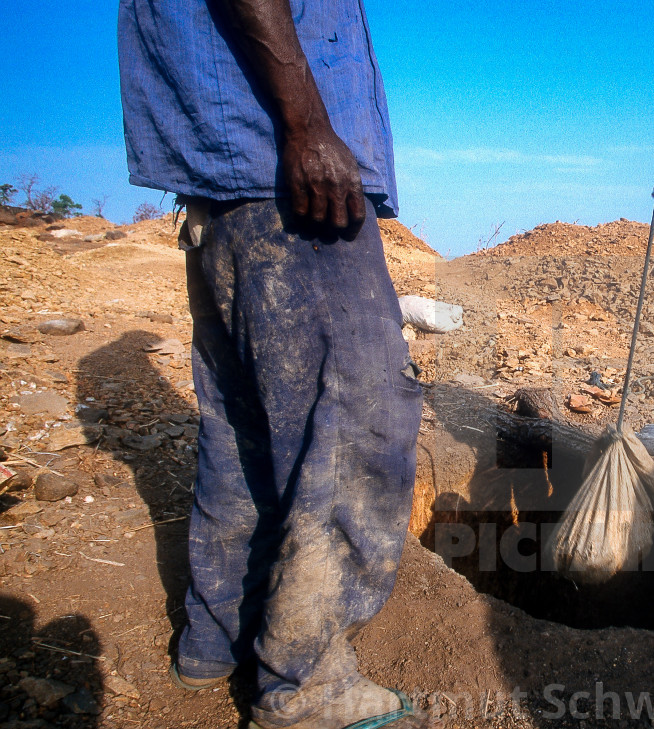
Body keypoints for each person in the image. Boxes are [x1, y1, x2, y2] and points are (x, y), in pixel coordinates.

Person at [118, 2, 432, 727]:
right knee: (360, 424)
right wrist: (307, 124)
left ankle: (217, 637)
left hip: (222, 180)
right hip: (285, 177)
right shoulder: (296, 142)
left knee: (244, 430)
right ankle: (306, 681)